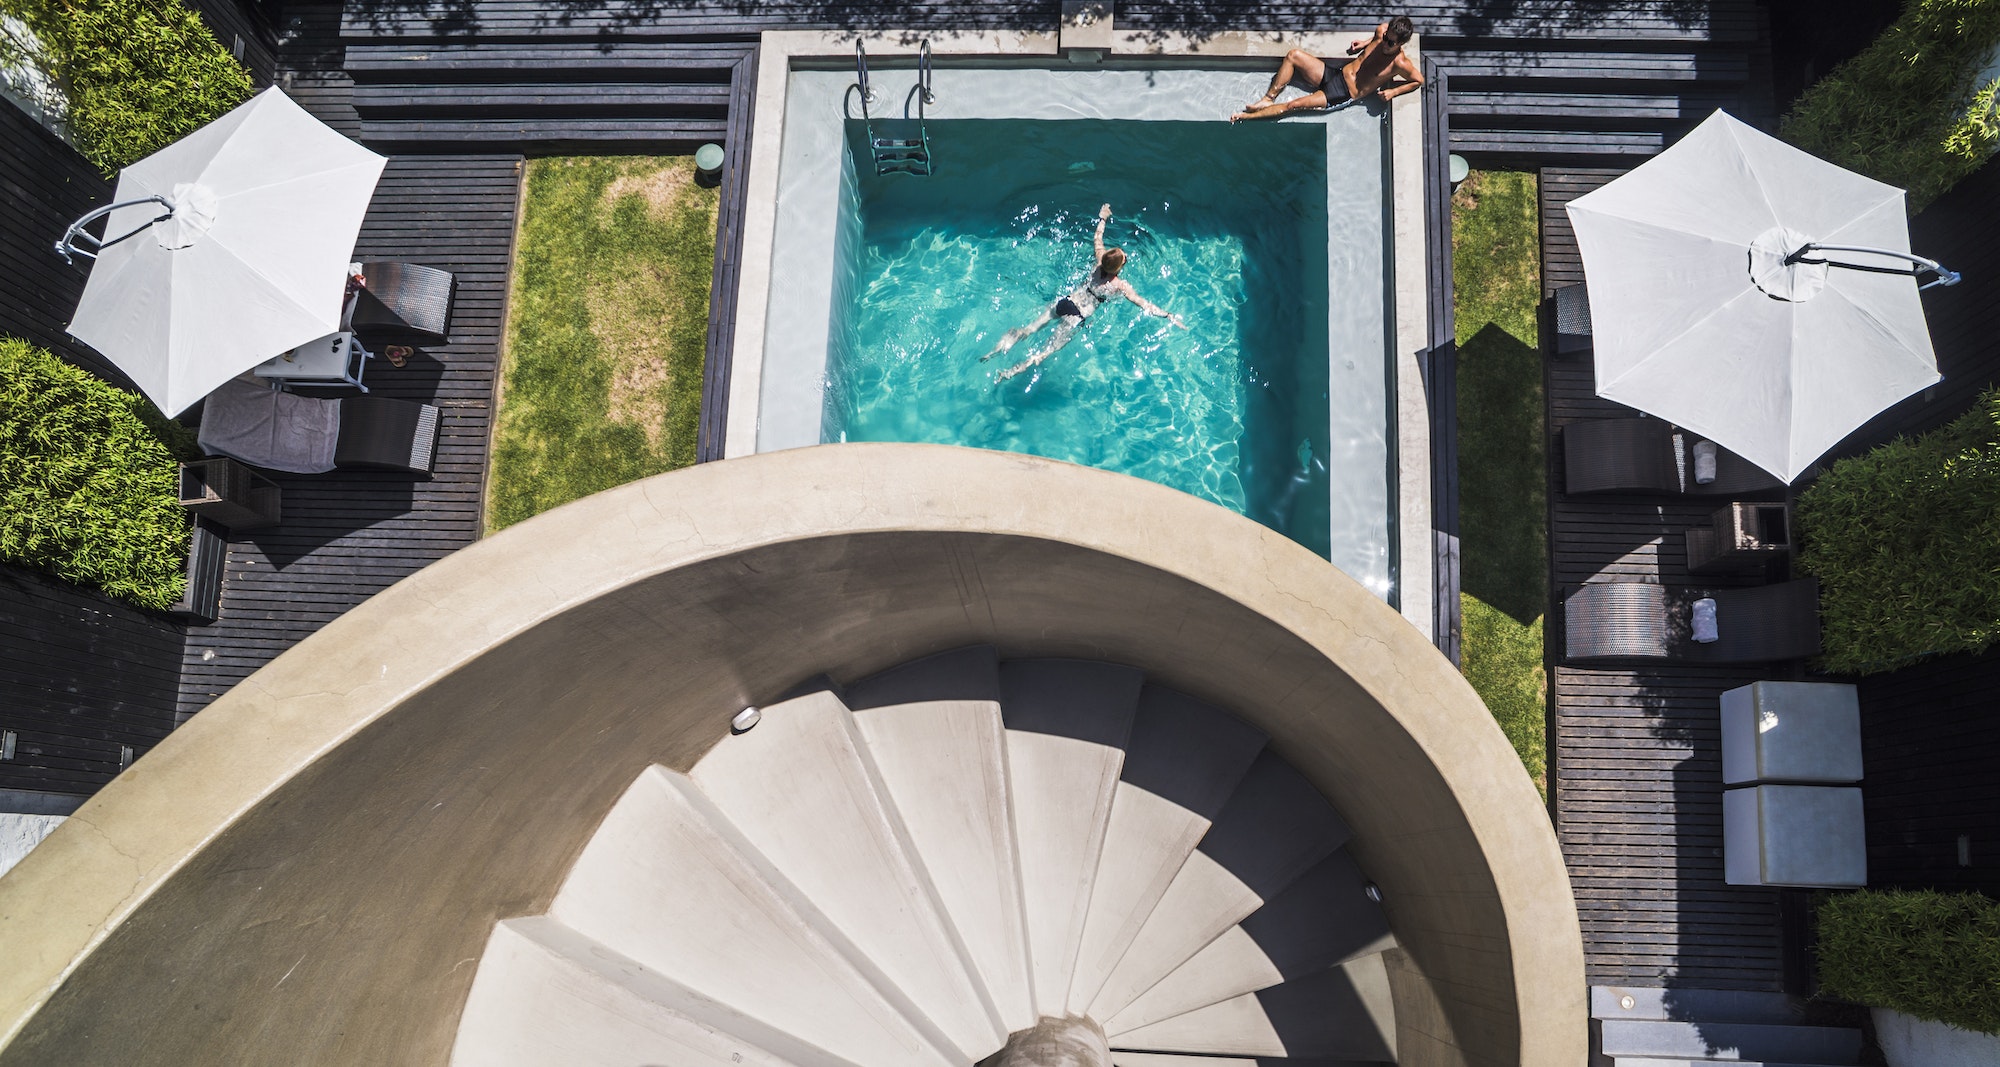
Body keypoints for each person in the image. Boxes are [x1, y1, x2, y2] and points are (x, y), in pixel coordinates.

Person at [982, 203, 1185, 383]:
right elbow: (1143, 304)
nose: (1125, 258)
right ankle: (1008, 373)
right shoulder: (1119, 285)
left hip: (1064, 302)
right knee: (1043, 353)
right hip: (1076, 317)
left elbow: (1098, 237)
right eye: (1124, 258)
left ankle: (995, 350)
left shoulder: (1099, 261)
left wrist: (1103, 217)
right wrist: (1168, 315)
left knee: (1027, 329)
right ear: (1117, 268)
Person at [1229, 16, 1424, 123]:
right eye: (1385, 37)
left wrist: (1393, 91)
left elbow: (1419, 81)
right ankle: (1267, 99)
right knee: (1293, 55)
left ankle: (1247, 117)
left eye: (1390, 42)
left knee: (1292, 106)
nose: (1385, 43)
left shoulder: (1400, 63)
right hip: (1336, 73)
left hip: (1342, 93)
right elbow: (1377, 39)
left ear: (1401, 43)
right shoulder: (1381, 32)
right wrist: (1365, 43)